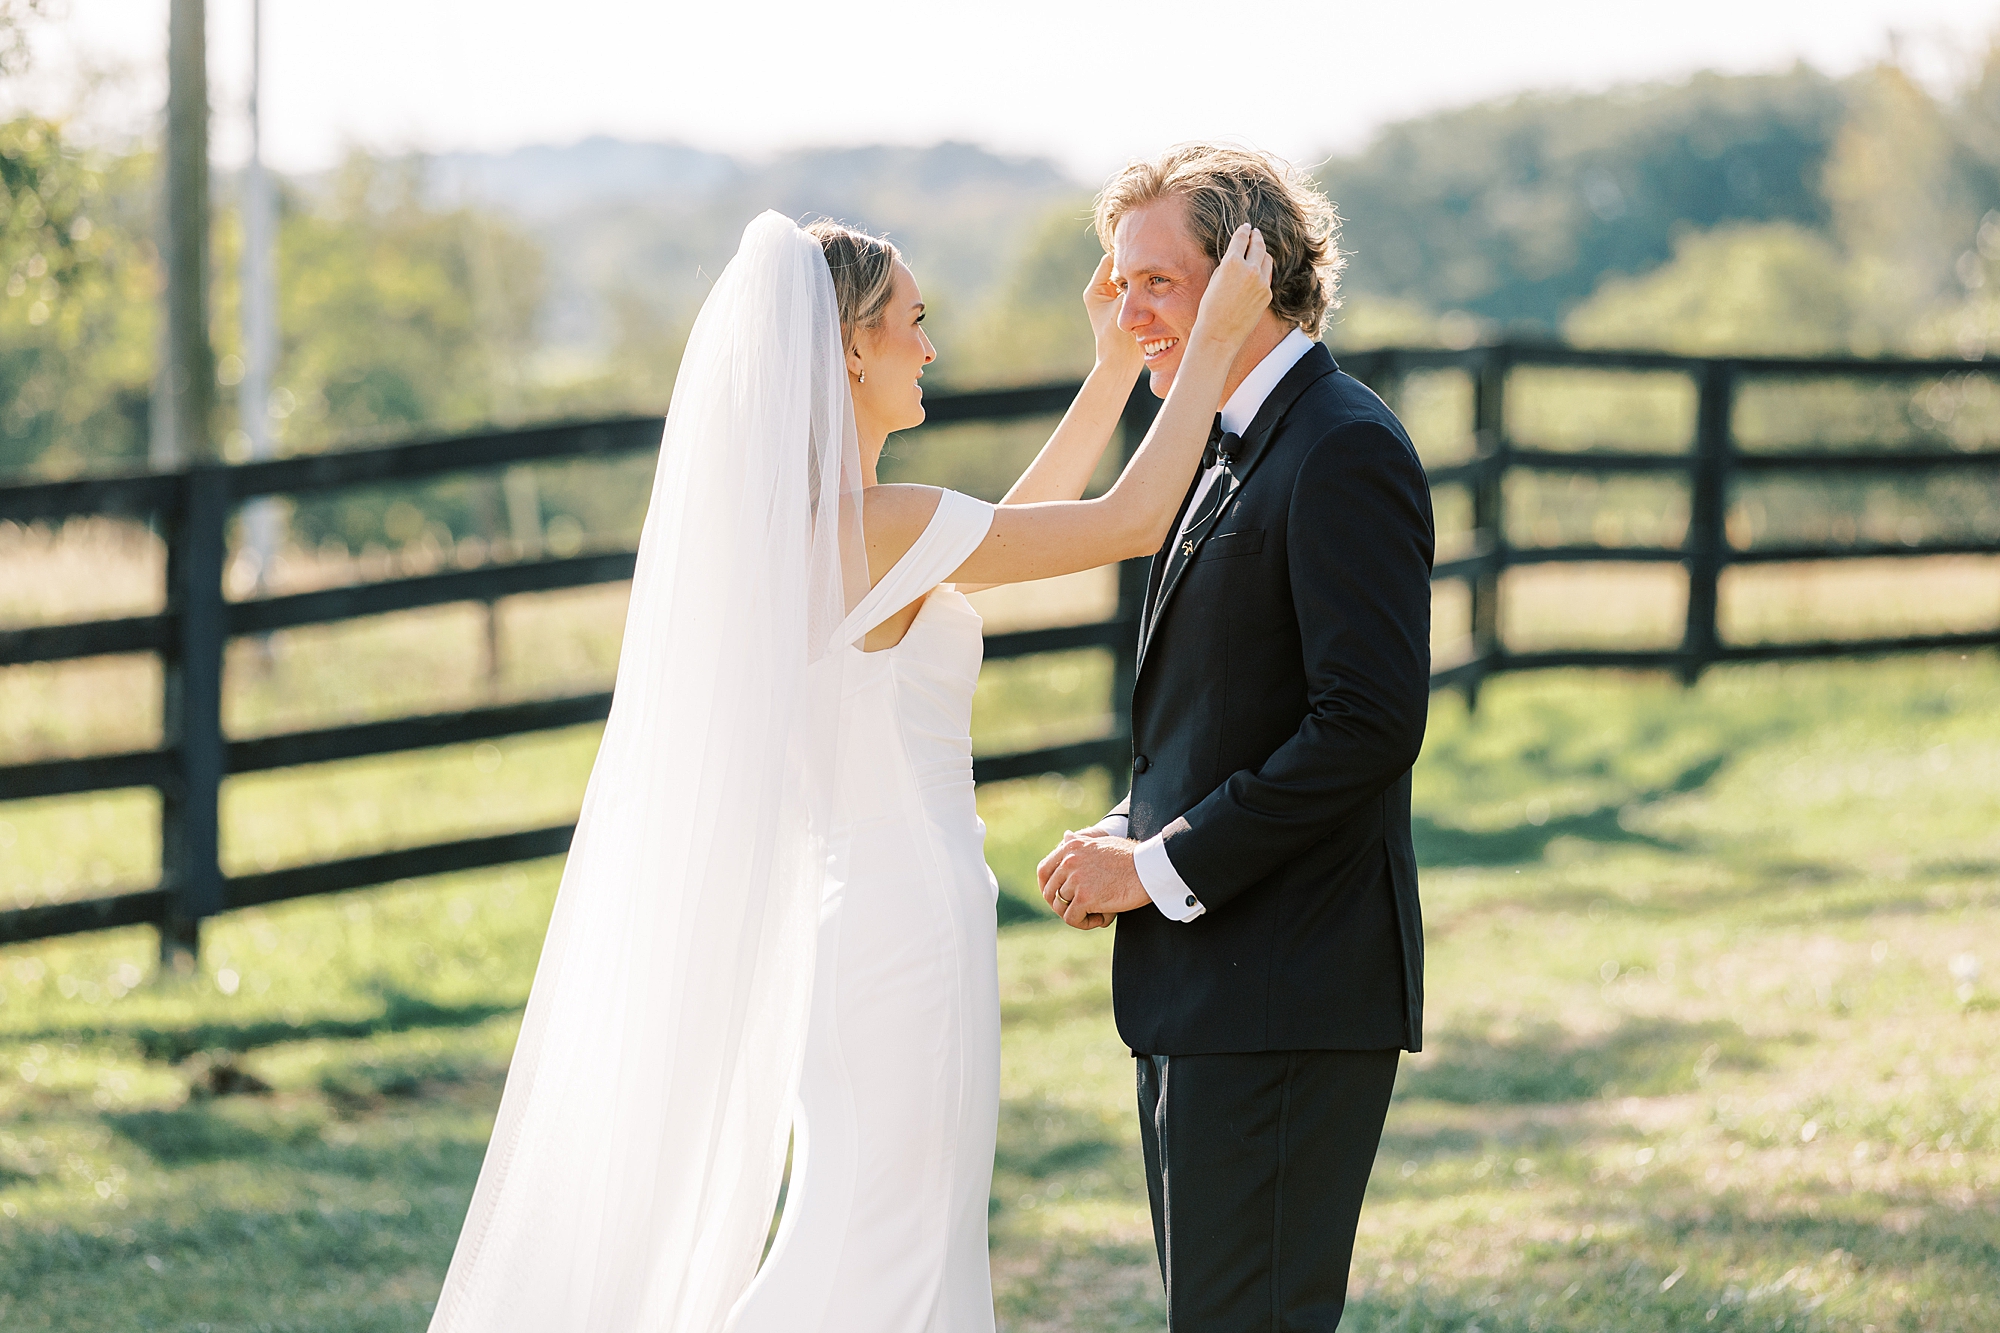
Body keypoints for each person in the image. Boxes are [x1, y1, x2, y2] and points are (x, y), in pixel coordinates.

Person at [425, 209, 1273, 1333]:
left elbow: (1021, 529)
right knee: (888, 1258)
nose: (929, 348)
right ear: (847, 351)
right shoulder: (879, 526)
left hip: (862, 927)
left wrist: (1118, 360)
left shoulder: (832, 533)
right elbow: (1125, 522)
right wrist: (1207, 345)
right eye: (911, 324)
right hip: (904, 933)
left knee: (889, 1237)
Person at [1037, 144, 1436, 1331]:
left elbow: (1365, 723)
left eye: (1156, 282)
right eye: (1119, 283)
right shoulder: (1215, 445)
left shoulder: (1339, 446)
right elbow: (1232, 707)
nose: (1129, 311)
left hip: (1286, 991)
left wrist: (1158, 867)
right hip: (1209, 996)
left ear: (1247, 276)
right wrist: (1124, 831)